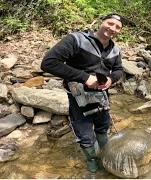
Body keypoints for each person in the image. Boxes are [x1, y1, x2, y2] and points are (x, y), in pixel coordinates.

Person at [41, 14, 124, 173]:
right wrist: (85, 77)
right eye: (110, 23)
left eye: (117, 27)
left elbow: (119, 69)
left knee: (103, 126)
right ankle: (92, 159)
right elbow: (49, 63)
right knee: (84, 132)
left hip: (102, 95)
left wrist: (111, 79)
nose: (112, 28)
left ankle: (104, 154)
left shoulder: (115, 49)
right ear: (101, 22)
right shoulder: (76, 39)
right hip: (78, 96)